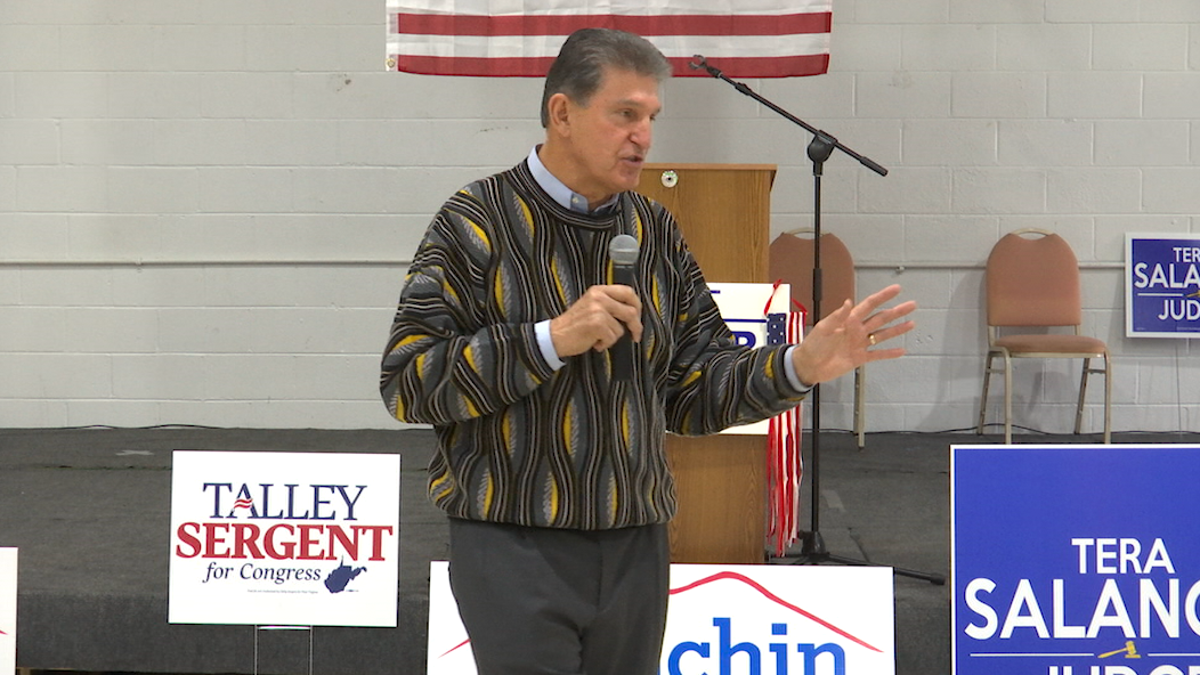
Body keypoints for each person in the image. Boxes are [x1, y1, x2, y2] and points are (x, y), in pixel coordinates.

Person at [380, 27, 916, 675]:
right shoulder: (476, 220)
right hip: (514, 539)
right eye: (625, 114)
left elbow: (695, 388)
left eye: (651, 117)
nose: (644, 136)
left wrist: (798, 365)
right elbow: (409, 380)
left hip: (636, 543)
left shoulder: (653, 229)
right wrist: (550, 340)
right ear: (562, 113)